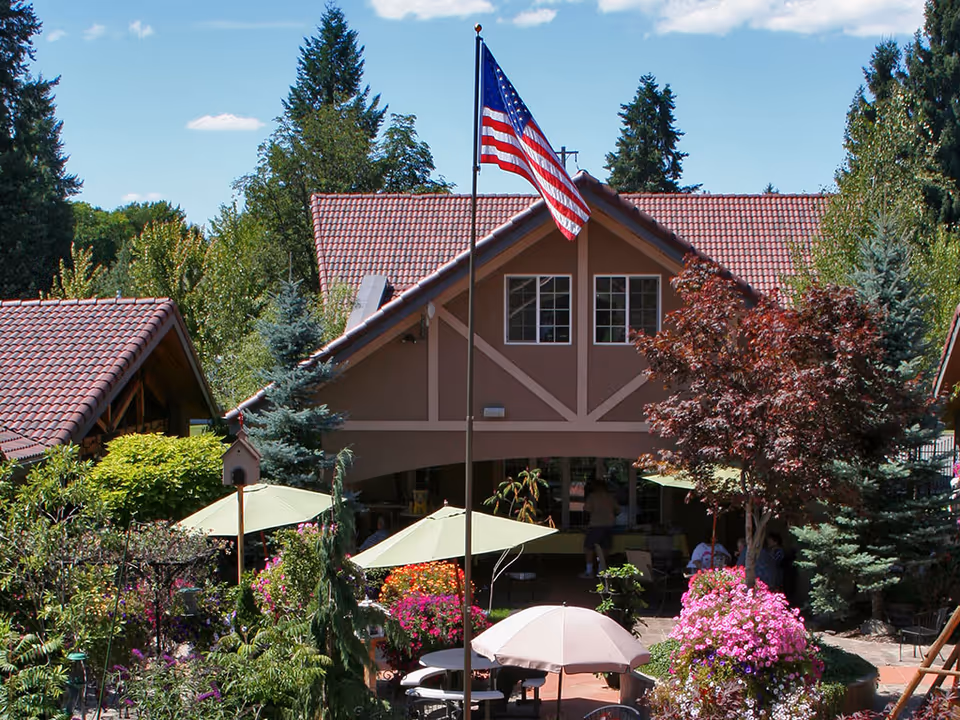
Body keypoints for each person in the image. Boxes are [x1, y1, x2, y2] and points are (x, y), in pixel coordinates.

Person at [582, 481, 619, 578]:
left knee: (589, 548)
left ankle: (589, 571)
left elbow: (587, 510)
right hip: (609, 525)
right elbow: (617, 510)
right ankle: (601, 570)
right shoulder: (610, 497)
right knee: (605, 548)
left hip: (595, 525)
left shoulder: (592, 496)